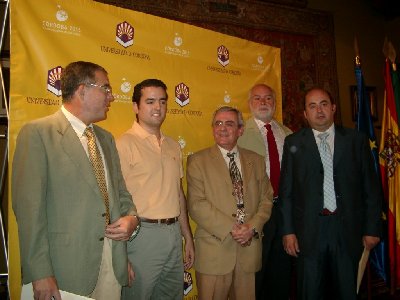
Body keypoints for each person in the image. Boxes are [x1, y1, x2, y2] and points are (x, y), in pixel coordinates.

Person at [12, 61, 139, 300]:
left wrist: (132, 219)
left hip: (111, 265)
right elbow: (29, 211)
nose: (111, 97)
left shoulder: (106, 139)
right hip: (64, 273)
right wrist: (40, 272)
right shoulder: (38, 134)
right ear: (82, 90)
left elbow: (120, 193)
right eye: (106, 89)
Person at [280, 87, 382, 299]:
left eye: (324, 104)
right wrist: (288, 231)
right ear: (305, 113)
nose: (319, 110)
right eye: (312, 106)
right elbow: (286, 191)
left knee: (347, 291)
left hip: (347, 231)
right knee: (310, 292)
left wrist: (372, 228)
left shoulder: (356, 141)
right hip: (308, 233)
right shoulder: (293, 143)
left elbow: (371, 188)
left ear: (333, 108)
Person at [117, 79, 195, 300]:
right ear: (135, 107)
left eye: (162, 101)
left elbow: (178, 192)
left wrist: (186, 236)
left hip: (172, 234)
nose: (157, 107)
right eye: (150, 101)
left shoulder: (173, 145)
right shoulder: (124, 144)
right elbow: (114, 199)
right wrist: (120, 255)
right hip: (140, 236)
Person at [186, 106, 273, 300]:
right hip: (214, 250)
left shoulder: (256, 160)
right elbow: (196, 204)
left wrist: (252, 227)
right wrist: (232, 228)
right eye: (218, 123)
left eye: (229, 123)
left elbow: (266, 199)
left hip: (248, 249)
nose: (222, 128)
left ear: (240, 130)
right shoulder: (197, 161)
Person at [238, 83, 292, 299]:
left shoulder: (288, 134)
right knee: (255, 274)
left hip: (283, 211)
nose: (263, 102)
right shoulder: (239, 133)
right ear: (250, 103)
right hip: (255, 212)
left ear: (275, 103)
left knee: (282, 270)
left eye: (268, 98)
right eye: (257, 98)